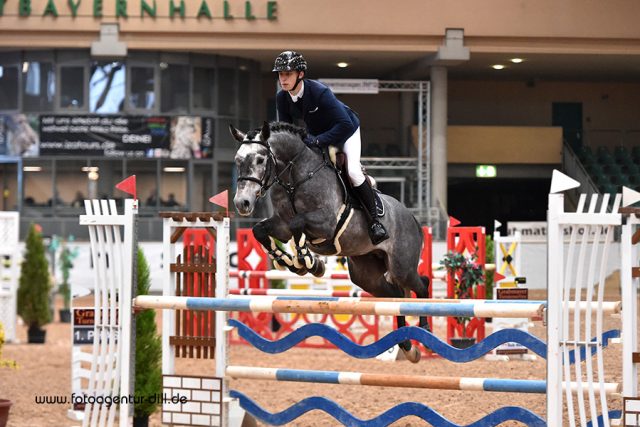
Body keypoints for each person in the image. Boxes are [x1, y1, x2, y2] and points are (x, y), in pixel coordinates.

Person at [273, 50, 388, 245]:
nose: (283, 79)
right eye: (281, 74)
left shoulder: (319, 91)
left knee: (352, 171)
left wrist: (318, 141)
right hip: (317, 134)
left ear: (300, 74)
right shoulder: (281, 98)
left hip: (346, 130)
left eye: (288, 74)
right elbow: (287, 131)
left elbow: (344, 123)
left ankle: (375, 221)